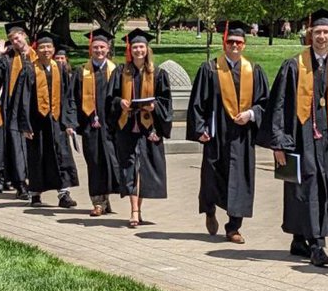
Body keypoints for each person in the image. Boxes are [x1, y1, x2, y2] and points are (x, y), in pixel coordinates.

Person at [262, 9, 328, 267]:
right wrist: (279, 142)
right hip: (300, 137)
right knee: (305, 187)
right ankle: (317, 245)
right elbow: (279, 105)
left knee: (322, 187)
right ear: (310, 34)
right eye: (317, 32)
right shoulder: (294, 66)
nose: (322, 36)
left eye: (326, 32)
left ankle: (298, 240)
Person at [186, 20, 269, 244]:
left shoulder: (254, 71)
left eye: (238, 42)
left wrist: (251, 114)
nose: (234, 45)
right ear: (224, 43)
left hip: (242, 136)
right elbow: (197, 103)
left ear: (244, 44)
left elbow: (264, 103)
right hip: (216, 134)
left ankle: (233, 227)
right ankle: (210, 210)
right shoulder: (210, 69)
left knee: (240, 181)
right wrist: (200, 128)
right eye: (230, 41)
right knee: (211, 177)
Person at [110, 29, 173, 228]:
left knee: (144, 169)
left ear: (147, 49)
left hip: (149, 127)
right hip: (127, 126)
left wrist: (154, 106)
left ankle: (138, 208)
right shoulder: (121, 72)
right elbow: (110, 98)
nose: (138, 50)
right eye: (135, 47)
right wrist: (120, 102)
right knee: (129, 167)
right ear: (130, 49)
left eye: (141, 47)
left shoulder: (158, 73)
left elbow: (165, 100)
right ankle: (134, 210)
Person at [21, 31, 80, 207]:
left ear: (53, 49)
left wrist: (69, 122)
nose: (46, 50)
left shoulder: (60, 69)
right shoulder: (29, 69)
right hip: (37, 122)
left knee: (61, 156)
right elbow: (23, 99)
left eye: (49, 47)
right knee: (37, 156)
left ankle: (64, 194)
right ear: (36, 49)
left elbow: (68, 97)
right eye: (42, 47)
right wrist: (25, 125)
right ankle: (35, 194)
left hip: (57, 122)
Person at [0, 22, 35, 198]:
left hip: (35, 109)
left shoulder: (36, 56)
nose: (15, 41)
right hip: (15, 111)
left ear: (24, 35)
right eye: (11, 39)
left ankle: (36, 186)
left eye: (17, 37)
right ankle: (21, 185)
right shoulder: (8, 59)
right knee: (17, 149)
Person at [71, 29, 122, 216]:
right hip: (89, 126)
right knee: (94, 162)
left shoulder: (116, 71)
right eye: (95, 47)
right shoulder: (81, 72)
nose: (99, 50)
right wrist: (71, 123)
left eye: (102, 47)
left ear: (108, 49)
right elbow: (72, 99)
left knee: (110, 162)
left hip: (111, 126)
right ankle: (98, 202)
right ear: (90, 50)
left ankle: (106, 199)